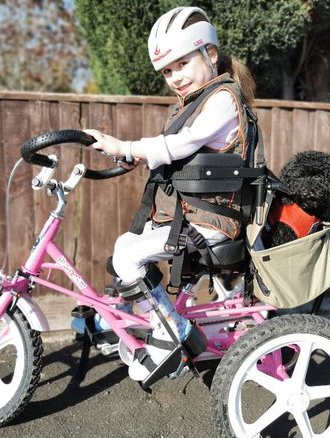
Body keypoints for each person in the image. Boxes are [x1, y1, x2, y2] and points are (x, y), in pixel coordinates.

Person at [80, 6, 258, 381]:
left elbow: (182, 144)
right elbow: (183, 153)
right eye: (167, 71)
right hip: (195, 214)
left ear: (209, 54)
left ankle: (171, 331)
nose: (175, 77)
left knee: (128, 257)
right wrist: (134, 157)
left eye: (182, 64)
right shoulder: (196, 101)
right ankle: (151, 324)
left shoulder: (223, 98)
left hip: (214, 221)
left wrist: (123, 146)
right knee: (125, 249)